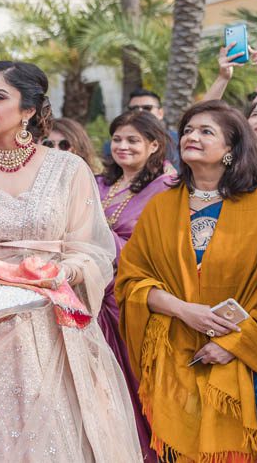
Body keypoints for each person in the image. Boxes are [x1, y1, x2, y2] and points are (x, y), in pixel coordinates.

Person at [0, 61, 142, 461]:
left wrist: (61, 271)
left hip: (52, 325)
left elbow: (92, 251)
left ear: (28, 109)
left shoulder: (68, 169)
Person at [116, 100, 257, 463]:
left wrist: (233, 343)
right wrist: (184, 310)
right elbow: (131, 280)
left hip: (242, 364)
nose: (191, 137)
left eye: (205, 131)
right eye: (187, 130)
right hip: (174, 363)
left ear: (231, 148)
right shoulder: (161, 207)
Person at [95, 111, 175, 462]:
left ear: (154, 145)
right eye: (117, 139)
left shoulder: (167, 187)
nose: (122, 146)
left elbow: (155, 246)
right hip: (87, 293)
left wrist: (96, 234)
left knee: (132, 379)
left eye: (132, 140)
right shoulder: (98, 183)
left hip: (129, 296)